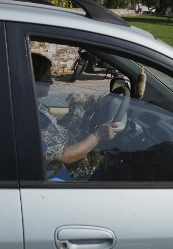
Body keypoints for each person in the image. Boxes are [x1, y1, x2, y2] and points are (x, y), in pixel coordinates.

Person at [31, 53, 119, 181]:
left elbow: (59, 131)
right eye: (47, 76)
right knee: (115, 163)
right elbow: (65, 157)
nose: (51, 81)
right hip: (66, 170)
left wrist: (83, 110)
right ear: (34, 78)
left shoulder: (36, 106)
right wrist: (98, 135)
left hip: (63, 162)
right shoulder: (33, 116)